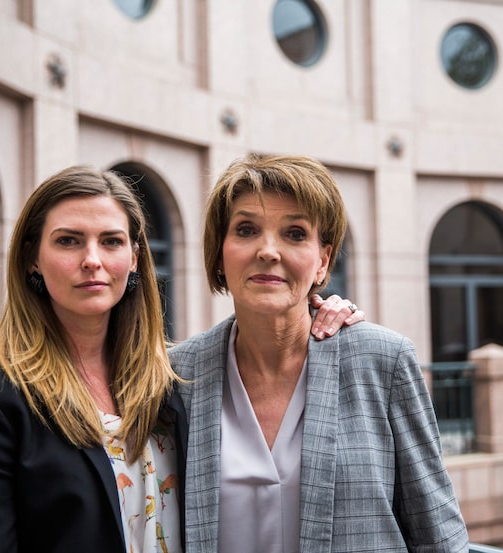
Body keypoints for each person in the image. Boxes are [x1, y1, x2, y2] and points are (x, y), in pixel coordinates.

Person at [0, 165, 362, 553]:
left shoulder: (169, 383)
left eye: (111, 241)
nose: (92, 260)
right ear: (32, 258)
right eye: (68, 240)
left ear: (135, 257)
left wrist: (319, 312)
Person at [170, 154, 470, 553]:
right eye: (246, 230)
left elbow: (439, 536)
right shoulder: (178, 375)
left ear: (322, 260)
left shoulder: (383, 361)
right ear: (220, 254)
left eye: (294, 233)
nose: (268, 251)